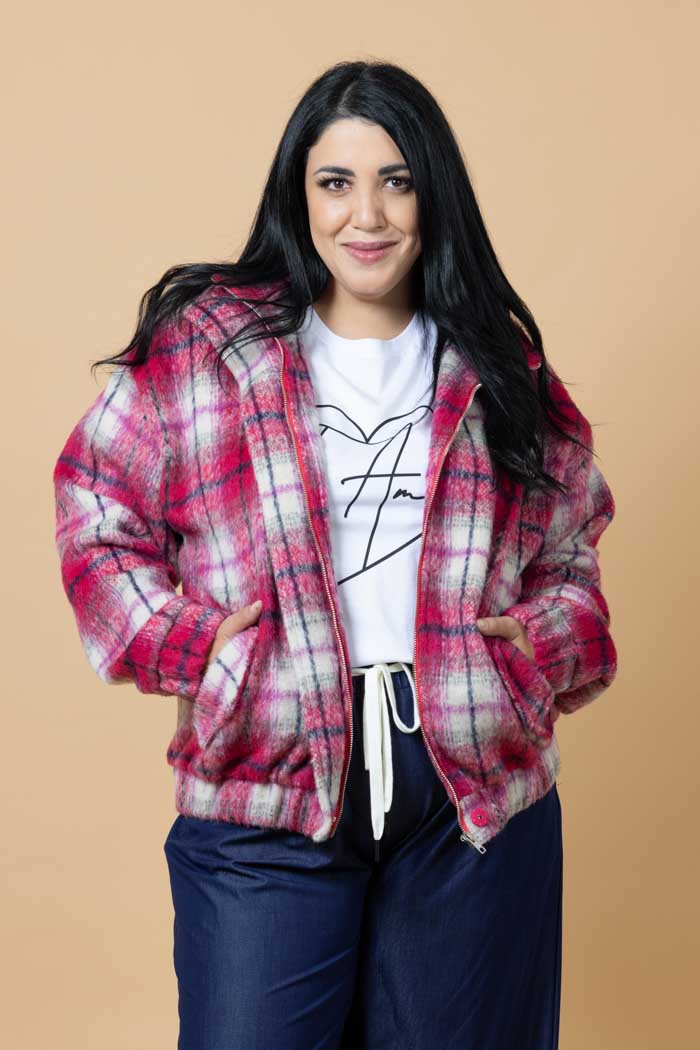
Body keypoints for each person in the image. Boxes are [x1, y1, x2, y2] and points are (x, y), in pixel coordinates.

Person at [52, 59, 618, 1050]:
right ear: (299, 196)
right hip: (268, 771)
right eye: (336, 182)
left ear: (432, 196)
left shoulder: (495, 364)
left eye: (397, 182)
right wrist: (196, 646)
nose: (368, 215)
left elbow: (571, 551)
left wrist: (534, 645)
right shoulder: (209, 350)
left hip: (471, 793)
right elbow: (95, 508)